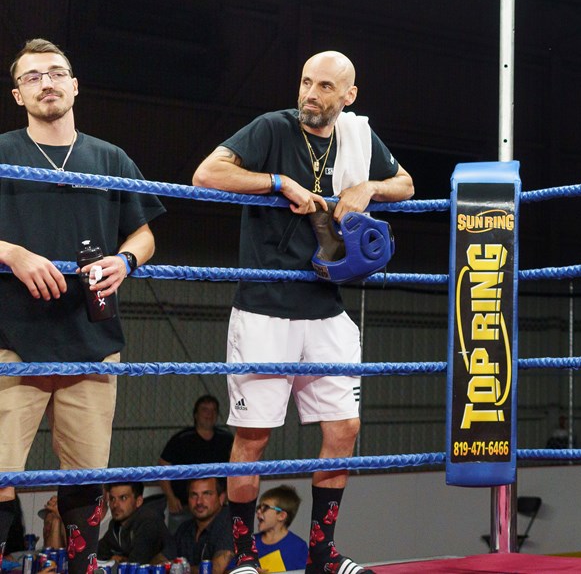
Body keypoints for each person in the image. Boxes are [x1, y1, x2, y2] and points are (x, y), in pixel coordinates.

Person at [192, 50, 413, 574]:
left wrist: (369, 187)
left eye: (325, 87)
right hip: (265, 307)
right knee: (253, 436)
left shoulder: (357, 137)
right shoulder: (272, 128)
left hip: (327, 307)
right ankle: (245, 557)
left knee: (344, 428)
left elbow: (405, 183)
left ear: (347, 96)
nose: (311, 94)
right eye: (306, 83)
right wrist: (275, 182)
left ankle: (322, 554)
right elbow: (207, 174)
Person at [0, 38, 164, 574]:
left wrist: (126, 261)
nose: (46, 82)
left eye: (56, 73)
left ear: (74, 85)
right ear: (18, 93)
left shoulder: (110, 158)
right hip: (13, 341)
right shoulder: (2, 152)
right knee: (0, 474)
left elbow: (143, 235)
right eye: (32, 77)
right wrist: (12, 253)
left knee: (86, 477)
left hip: (91, 346)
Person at [158, 395, 234, 531]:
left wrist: (228, 494)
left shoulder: (226, 439)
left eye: (213, 411)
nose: (209, 414)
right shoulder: (181, 439)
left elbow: (237, 469)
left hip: (218, 507)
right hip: (184, 506)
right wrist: (171, 497)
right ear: (196, 414)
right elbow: (163, 466)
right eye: (205, 410)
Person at [97, 482, 169, 567]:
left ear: (138, 501)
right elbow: (97, 553)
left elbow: (135, 565)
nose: (115, 505)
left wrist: (119, 561)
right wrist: (114, 559)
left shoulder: (149, 522)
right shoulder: (116, 525)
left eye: (123, 498)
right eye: (112, 499)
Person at [171, 477, 235, 573]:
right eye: (194, 495)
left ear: (221, 498)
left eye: (206, 494)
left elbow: (214, 570)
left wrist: (178, 569)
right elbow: (162, 560)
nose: (199, 502)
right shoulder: (184, 528)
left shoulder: (230, 523)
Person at [254, 485, 308, 574]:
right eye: (259, 507)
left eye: (265, 507)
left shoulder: (298, 547)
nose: (258, 511)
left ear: (281, 516)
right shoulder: (249, 542)